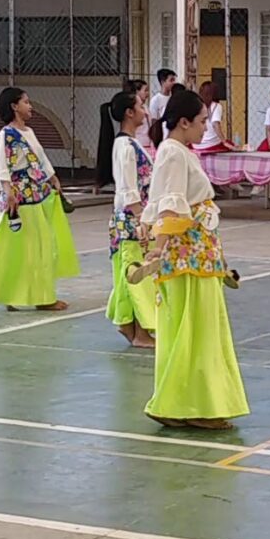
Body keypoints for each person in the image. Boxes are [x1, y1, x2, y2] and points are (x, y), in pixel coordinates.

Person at [137, 90, 249, 428]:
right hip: (189, 255)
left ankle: (183, 403)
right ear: (183, 122)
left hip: (197, 253)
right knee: (197, 330)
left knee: (190, 329)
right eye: (201, 122)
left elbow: (160, 201)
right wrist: (158, 247)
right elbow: (170, 204)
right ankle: (194, 406)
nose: (205, 128)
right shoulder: (173, 153)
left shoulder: (176, 151)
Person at [0, 87, 80, 311]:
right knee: (24, 248)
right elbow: (2, 168)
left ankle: (27, 294)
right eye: (26, 102)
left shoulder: (29, 132)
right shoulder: (4, 136)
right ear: (14, 106)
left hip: (36, 195)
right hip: (19, 199)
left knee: (36, 248)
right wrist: (9, 193)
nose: (30, 106)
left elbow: (41, 158)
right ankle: (37, 297)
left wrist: (53, 178)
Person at [95, 90, 156, 348]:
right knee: (139, 275)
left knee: (130, 274)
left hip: (133, 217)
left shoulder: (131, 143)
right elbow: (128, 188)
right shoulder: (125, 146)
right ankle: (140, 332)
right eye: (141, 106)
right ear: (130, 113)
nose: (145, 111)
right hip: (133, 219)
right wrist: (142, 219)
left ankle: (128, 324)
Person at [195, 81, 235, 154]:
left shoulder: (195, 105)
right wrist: (224, 142)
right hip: (211, 145)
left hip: (196, 144)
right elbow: (215, 124)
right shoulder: (216, 106)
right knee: (231, 145)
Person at [125, 79, 154, 156]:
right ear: (137, 92)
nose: (148, 93)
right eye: (145, 90)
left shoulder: (146, 107)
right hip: (139, 144)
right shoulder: (133, 111)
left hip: (148, 144)